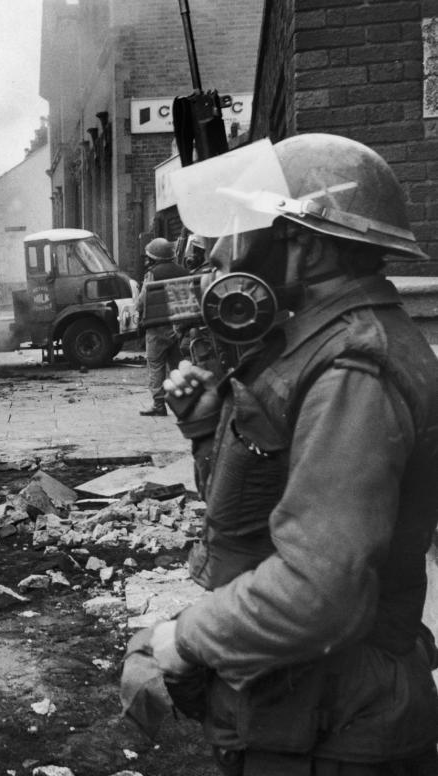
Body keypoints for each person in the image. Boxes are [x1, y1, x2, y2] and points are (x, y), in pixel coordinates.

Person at [138, 134, 438, 774]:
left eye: (243, 229)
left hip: (337, 724)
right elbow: (259, 519)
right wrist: (204, 426)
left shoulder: (354, 366)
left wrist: (185, 639)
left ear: (305, 243)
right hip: (304, 710)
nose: (221, 252)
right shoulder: (314, 345)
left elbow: (318, 588)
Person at [136, 238, 187, 416]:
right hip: (178, 326)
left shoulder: (152, 274)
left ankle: (159, 405)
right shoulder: (183, 271)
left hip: (156, 327)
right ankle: (186, 404)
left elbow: (142, 300)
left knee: (156, 365)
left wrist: (137, 309)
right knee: (177, 367)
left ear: (154, 258)